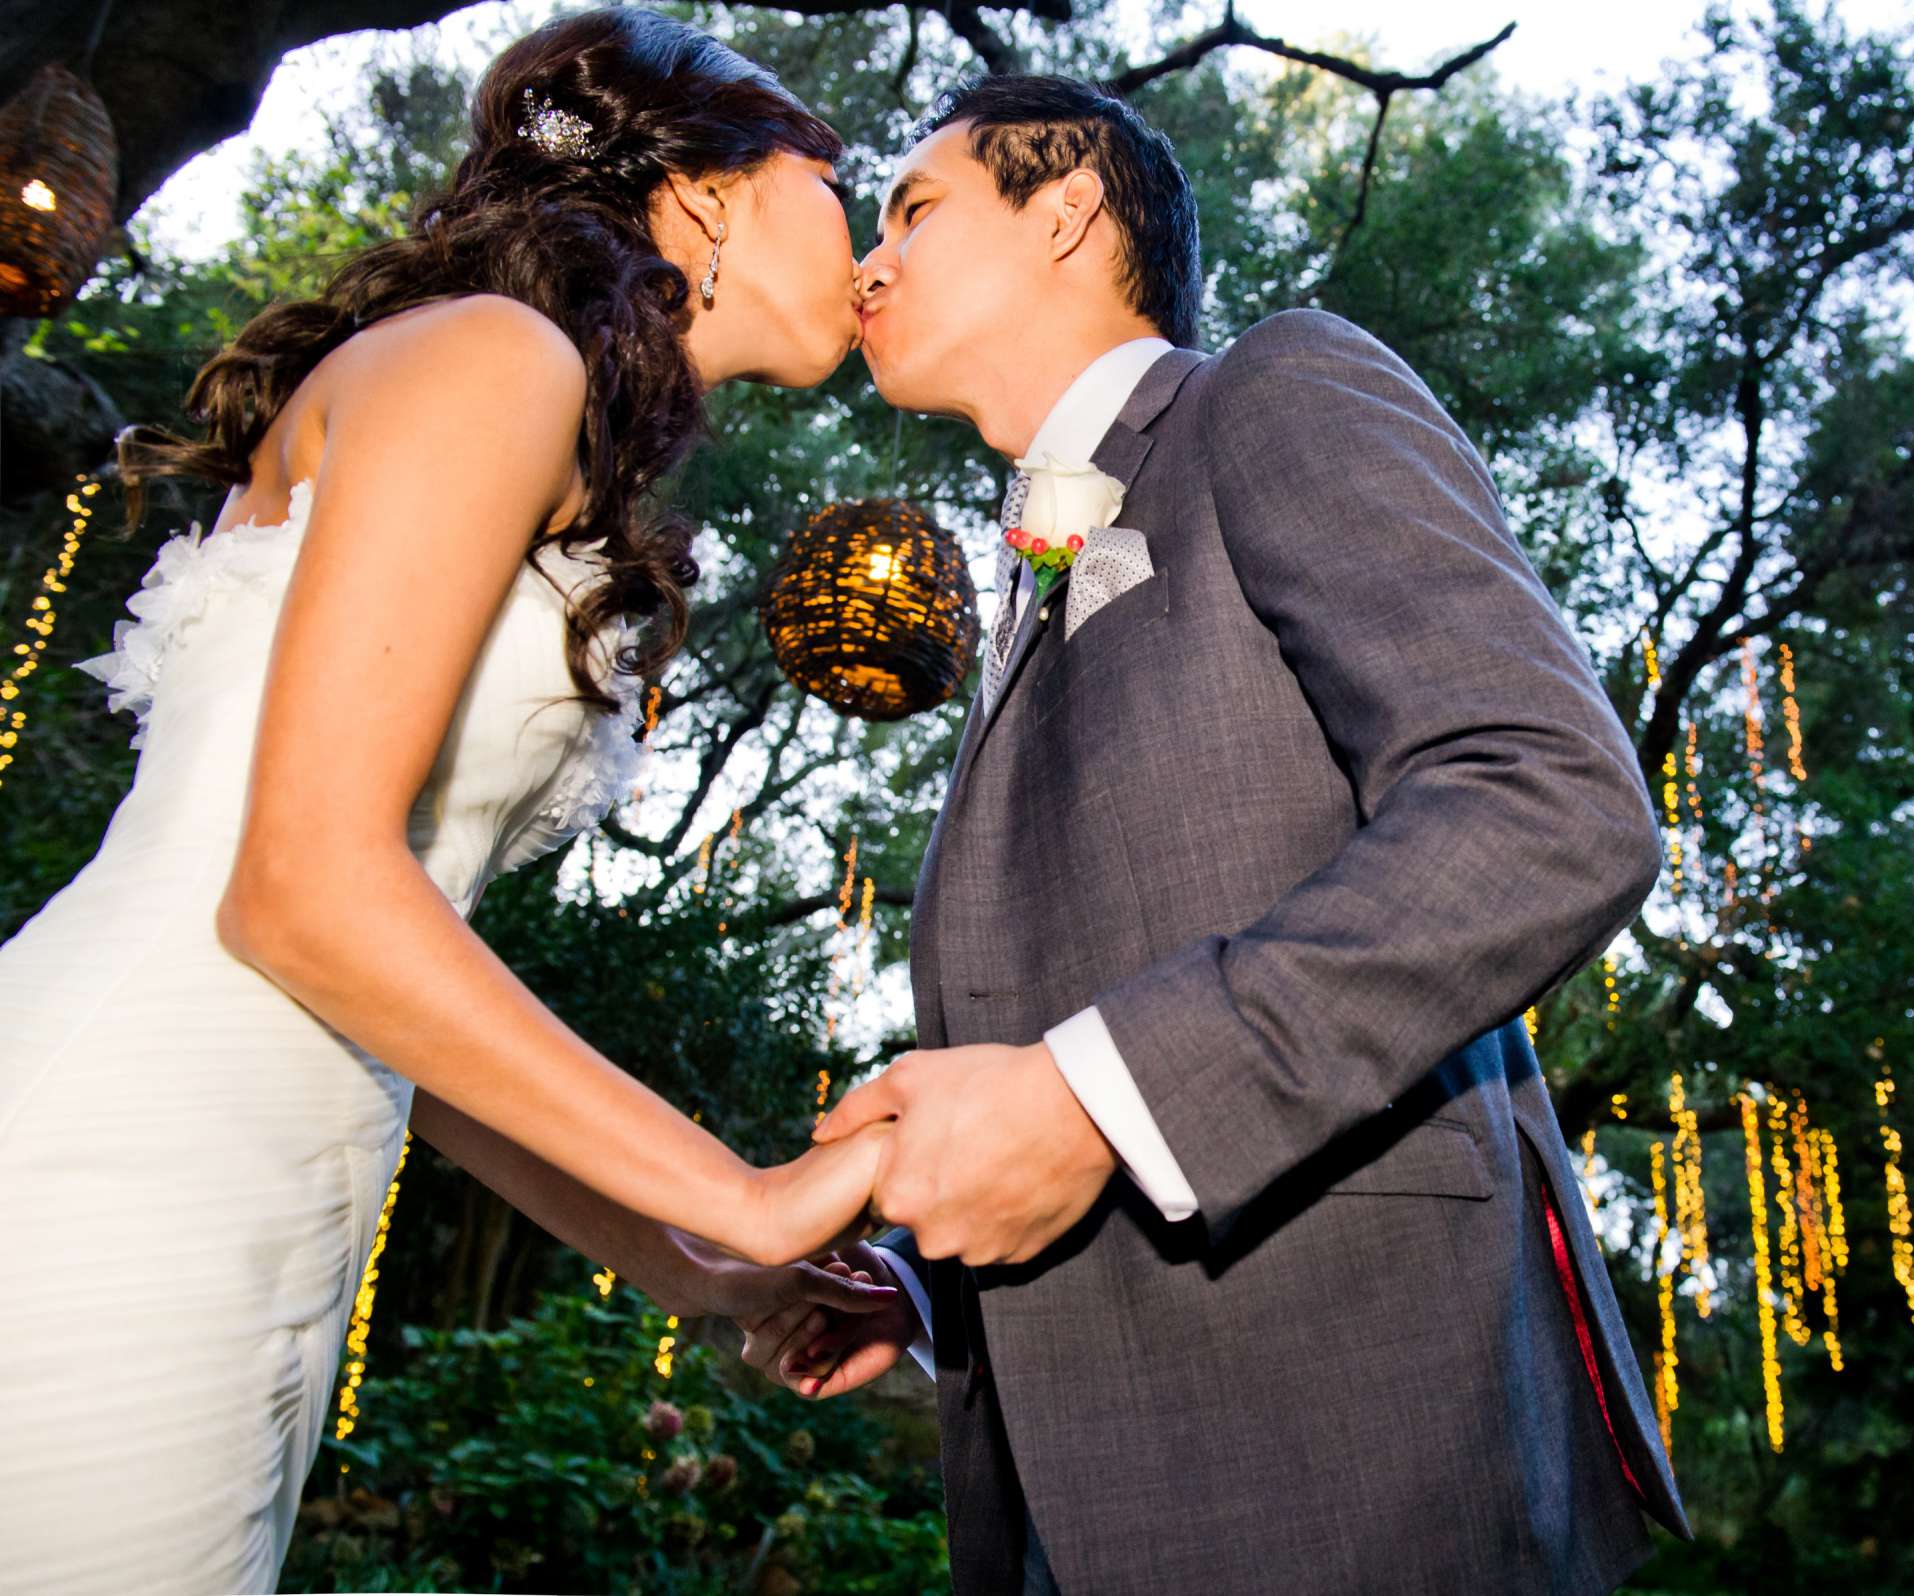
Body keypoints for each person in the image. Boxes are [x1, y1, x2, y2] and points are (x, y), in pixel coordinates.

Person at [740, 74, 1696, 1594]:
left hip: (1348, 1444)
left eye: (914, 208)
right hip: (1078, 1488)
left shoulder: (1273, 388)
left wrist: (1088, 1106)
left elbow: (1545, 798)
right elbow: (1120, 970)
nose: (869, 259)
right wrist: (926, 1281)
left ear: (1067, 211)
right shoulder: (1038, 572)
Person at [0, 10, 893, 1591]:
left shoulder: (546, 417)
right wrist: (751, 1194)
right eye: (843, 182)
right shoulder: (495, 357)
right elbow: (299, 895)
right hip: (119, 1182)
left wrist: (701, 1269)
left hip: (272, 1211)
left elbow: (396, 991)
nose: (872, 236)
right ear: (708, 198)